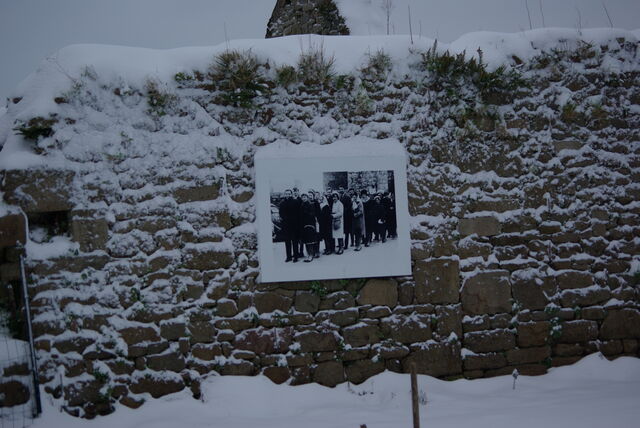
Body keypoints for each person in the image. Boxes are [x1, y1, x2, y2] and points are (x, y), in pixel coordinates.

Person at [278, 189, 298, 262]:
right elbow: (281, 214)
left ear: (291, 194)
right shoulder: (282, 203)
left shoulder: (295, 202)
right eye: (286, 194)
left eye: (289, 194)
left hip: (294, 225)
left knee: (295, 242)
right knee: (287, 242)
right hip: (286, 226)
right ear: (284, 194)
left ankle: (295, 256)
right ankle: (288, 257)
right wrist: (284, 219)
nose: (288, 195)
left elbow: (298, 214)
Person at [300, 193, 318, 262]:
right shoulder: (301, 205)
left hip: (310, 225)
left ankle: (311, 255)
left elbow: (312, 214)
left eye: (305, 197)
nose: (304, 198)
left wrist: (306, 213)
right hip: (304, 225)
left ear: (307, 198)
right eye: (303, 197)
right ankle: (309, 254)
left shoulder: (311, 204)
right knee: (306, 241)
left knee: (310, 240)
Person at [292, 187, 303, 259]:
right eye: (294, 191)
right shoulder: (292, 200)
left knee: (301, 238)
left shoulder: (301, 199)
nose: (295, 192)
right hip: (294, 222)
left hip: (300, 221)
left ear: (298, 192)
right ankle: (296, 252)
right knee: (295, 239)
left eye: (296, 191)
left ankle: (301, 252)